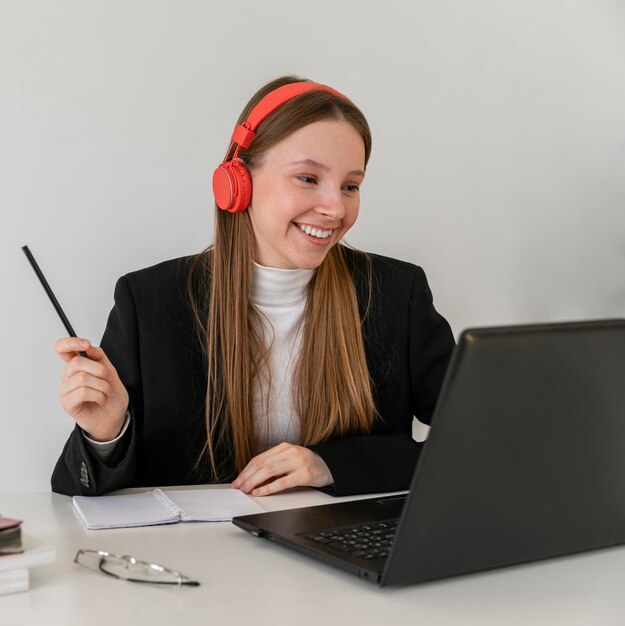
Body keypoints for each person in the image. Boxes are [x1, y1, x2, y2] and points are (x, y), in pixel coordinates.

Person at [51, 75, 455, 498]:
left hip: (340, 551)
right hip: (200, 558)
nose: (335, 208)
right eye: (308, 178)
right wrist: (107, 433)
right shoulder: (149, 302)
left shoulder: (396, 293)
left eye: (350, 186)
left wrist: (330, 464)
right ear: (237, 182)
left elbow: (478, 440)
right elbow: (74, 492)